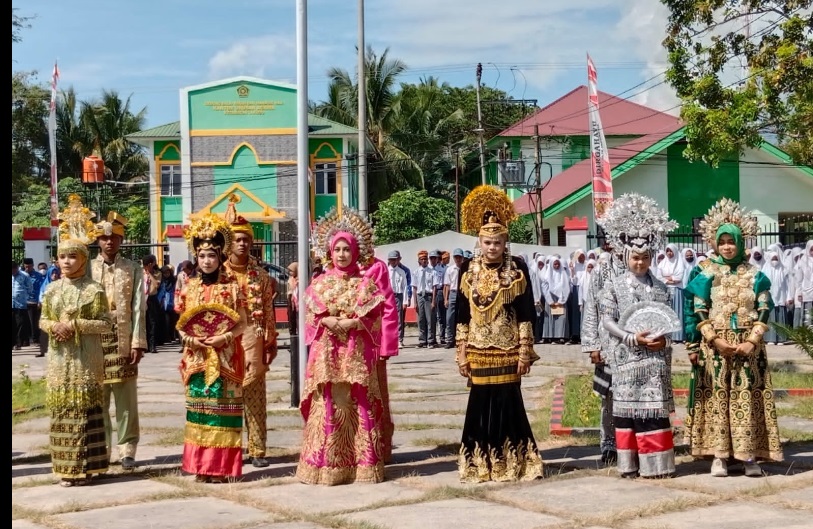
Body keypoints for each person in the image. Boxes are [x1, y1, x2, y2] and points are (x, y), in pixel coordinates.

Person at [683, 199, 783, 477]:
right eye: (723, 241)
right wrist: (713, 340)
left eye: (732, 241)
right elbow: (698, 309)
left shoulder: (755, 274)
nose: (727, 246)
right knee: (718, 399)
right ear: (715, 243)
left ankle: (748, 456)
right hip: (715, 349)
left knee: (746, 398)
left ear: (741, 243)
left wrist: (752, 340)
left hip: (750, 348)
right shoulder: (706, 271)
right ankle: (720, 456)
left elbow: (765, 309)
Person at [455, 185, 543, 483]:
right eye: (487, 242)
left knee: (509, 404)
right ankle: (479, 465)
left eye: (498, 242)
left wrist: (524, 351)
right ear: (479, 241)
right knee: (479, 405)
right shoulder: (468, 268)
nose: (492, 247)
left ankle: (515, 463)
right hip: (478, 350)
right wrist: (462, 351)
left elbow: (526, 312)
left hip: (508, 350)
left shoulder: (516, 268)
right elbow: (461, 312)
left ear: (506, 241)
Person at [297, 208, 387, 485]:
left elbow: (375, 317)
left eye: (347, 249)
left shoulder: (366, 285)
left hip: (355, 352)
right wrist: (330, 320)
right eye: (337, 249)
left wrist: (354, 324)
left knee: (356, 400)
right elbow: (312, 313)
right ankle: (324, 466)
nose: (341, 254)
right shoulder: (319, 284)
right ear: (329, 252)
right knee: (329, 402)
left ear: (356, 251)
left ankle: (361, 465)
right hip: (327, 352)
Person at [596, 193, 678, 478]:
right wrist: (631, 337)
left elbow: (668, 323)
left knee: (654, 411)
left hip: (655, 361)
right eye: (635, 257)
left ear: (651, 257)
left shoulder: (660, 287)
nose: (640, 263)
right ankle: (629, 465)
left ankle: (657, 467)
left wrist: (663, 340)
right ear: (624, 255)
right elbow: (607, 320)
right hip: (626, 359)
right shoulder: (612, 286)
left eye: (645, 258)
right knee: (627, 412)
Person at [39, 194, 112, 486]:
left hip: (86, 360)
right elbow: (42, 320)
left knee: (86, 412)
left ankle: (88, 468)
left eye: (73, 256)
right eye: (62, 256)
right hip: (59, 361)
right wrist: (54, 326)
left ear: (83, 259)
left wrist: (78, 324)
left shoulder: (94, 290)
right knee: (62, 412)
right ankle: (65, 469)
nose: (67, 261)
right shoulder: (53, 290)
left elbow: (106, 323)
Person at [175, 213, 246, 483]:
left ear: (220, 257)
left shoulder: (232, 288)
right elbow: (181, 325)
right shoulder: (189, 288)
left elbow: (242, 324)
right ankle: (201, 467)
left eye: (212, 256)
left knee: (221, 410)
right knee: (200, 410)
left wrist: (224, 338)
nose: (207, 261)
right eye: (202, 256)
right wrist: (191, 340)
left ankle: (221, 468)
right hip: (196, 359)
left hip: (226, 360)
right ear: (196, 257)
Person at [224, 196, 278, 468]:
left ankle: (257, 450)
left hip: (254, 340)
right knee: (228, 397)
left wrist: (271, 338)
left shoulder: (260, 275)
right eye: (237, 239)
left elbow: (267, 308)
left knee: (255, 395)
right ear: (229, 244)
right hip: (226, 342)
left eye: (246, 239)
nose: (243, 243)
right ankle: (230, 449)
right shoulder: (219, 275)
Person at [91, 212, 147, 471]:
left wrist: (138, 341)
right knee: (98, 397)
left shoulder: (133, 268)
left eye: (114, 237)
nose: (109, 242)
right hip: (94, 341)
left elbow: (139, 307)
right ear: (98, 241)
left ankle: (127, 450)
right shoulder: (87, 268)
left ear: (121, 240)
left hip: (123, 338)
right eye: (104, 238)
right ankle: (101, 448)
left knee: (126, 399)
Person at [657, 243, 686, 343]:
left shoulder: (680, 263)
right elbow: (658, 278)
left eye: (671, 251)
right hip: (665, 291)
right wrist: (670, 280)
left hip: (677, 290)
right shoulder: (662, 263)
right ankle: (668, 336)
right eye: (667, 251)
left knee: (677, 313)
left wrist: (666, 278)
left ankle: (678, 336)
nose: (669, 253)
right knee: (667, 313)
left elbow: (679, 279)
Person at [762, 251, 789, 345]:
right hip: (770, 298)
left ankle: (781, 339)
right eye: (773, 259)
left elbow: (787, 285)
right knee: (771, 318)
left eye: (776, 258)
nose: (775, 260)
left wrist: (788, 297)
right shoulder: (765, 270)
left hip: (781, 297)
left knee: (780, 317)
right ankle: (770, 339)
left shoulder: (783, 270)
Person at [542, 256, 570, 344]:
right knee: (551, 318)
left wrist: (561, 301)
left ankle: (561, 336)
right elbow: (545, 287)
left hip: (561, 299)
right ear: (551, 264)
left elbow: (566, 287)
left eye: (558, 264)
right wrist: (550, 301)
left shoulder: (563, 273)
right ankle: (551, 337)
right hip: (550, 299)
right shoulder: (547, 274)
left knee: (562, 318)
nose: (557, 265)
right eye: (555, 264)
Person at [36, 264, 61, 357]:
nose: (54, 275)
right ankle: (43, 350)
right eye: (52, 273)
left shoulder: (60, 284)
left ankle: (56, 350)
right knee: (44, 330)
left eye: (56, 273)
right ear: (49, 274)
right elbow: (41, 297)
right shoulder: (45, 285)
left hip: (57, 311)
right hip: (46, 310)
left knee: (56, 330)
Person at [413, 250, 435, 348]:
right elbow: (414, 287)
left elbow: (434, 287)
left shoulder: (432, 272)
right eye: (422, 259)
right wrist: (415, 302)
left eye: (425, 259)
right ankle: (422, 340)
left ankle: (430, 340)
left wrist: (433, 301)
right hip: (419, 296)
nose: (424, 261)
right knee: (421, 319)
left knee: (429, 319)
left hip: (428, 295)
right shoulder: (416, 272)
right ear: (419, 261)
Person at [443, 248, 464, 348]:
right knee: (450, 317)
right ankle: (450, 339)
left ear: (462, 257)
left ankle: (460, 339)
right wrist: (446, 299)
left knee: (461, 316)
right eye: (456, 257)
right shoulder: (450, 269)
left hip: (463, 293)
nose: (458, 259)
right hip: (453, 292)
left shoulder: (465, 268)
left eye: (459, 257)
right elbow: (447, 285)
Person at [387, 251, 408, 347]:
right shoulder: (386, 271)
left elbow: (405, 287)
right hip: (389, 296)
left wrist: (405, 301)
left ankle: (400, 339)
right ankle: (390, 339)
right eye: (391, 260)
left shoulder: (401, 271)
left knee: (399, 318)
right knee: (389, 318)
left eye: (395, 259)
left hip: (398, 295)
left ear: (398, 260)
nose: (393, 262)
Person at [142, 255, 162, 353]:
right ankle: (145, 345)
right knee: (144, 322)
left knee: (152, 322)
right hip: (143, 298)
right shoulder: (140, 272)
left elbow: (157, 284)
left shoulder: (157, 273)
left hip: (152, 298)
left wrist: (149, 273)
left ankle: (153, 345)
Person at [23, 257, 45, 347]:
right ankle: (25, 340)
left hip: (33, 302)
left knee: (33, 322)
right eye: (26, 266)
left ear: (33, 266)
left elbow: (41, 289)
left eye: (29, 266)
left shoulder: (38, 276)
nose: (28, 268)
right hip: (22, 302)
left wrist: (39, 301)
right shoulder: (21, 275)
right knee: (23, 322)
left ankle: (35, 339)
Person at [12, 260, 33, 350]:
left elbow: (30, 288)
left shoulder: (24, 275)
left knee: (20, 324)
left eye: (13, 270)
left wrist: (24, 297)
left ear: (17, 268)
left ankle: (19, 342)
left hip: (20, 304)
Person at [286, 262, 299, 335]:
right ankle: (292, 332)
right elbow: (288, 290)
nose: (290, 273)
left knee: (298, 317)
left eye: (292, 271)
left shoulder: (299, 279)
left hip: (297, 300)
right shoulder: (290, 279)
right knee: (291, 316)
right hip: (290, 300)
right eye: (289, 271)